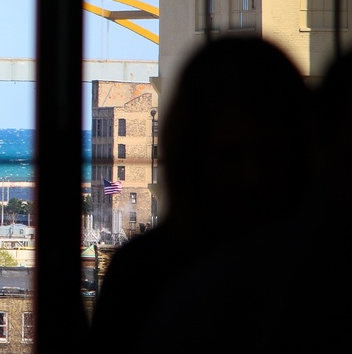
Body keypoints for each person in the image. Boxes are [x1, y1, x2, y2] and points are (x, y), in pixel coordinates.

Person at [90, 36, 312, 354]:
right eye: (228, 155)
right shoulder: (317, 276)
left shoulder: (143, 272)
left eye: (269, 153)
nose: (249, 177)